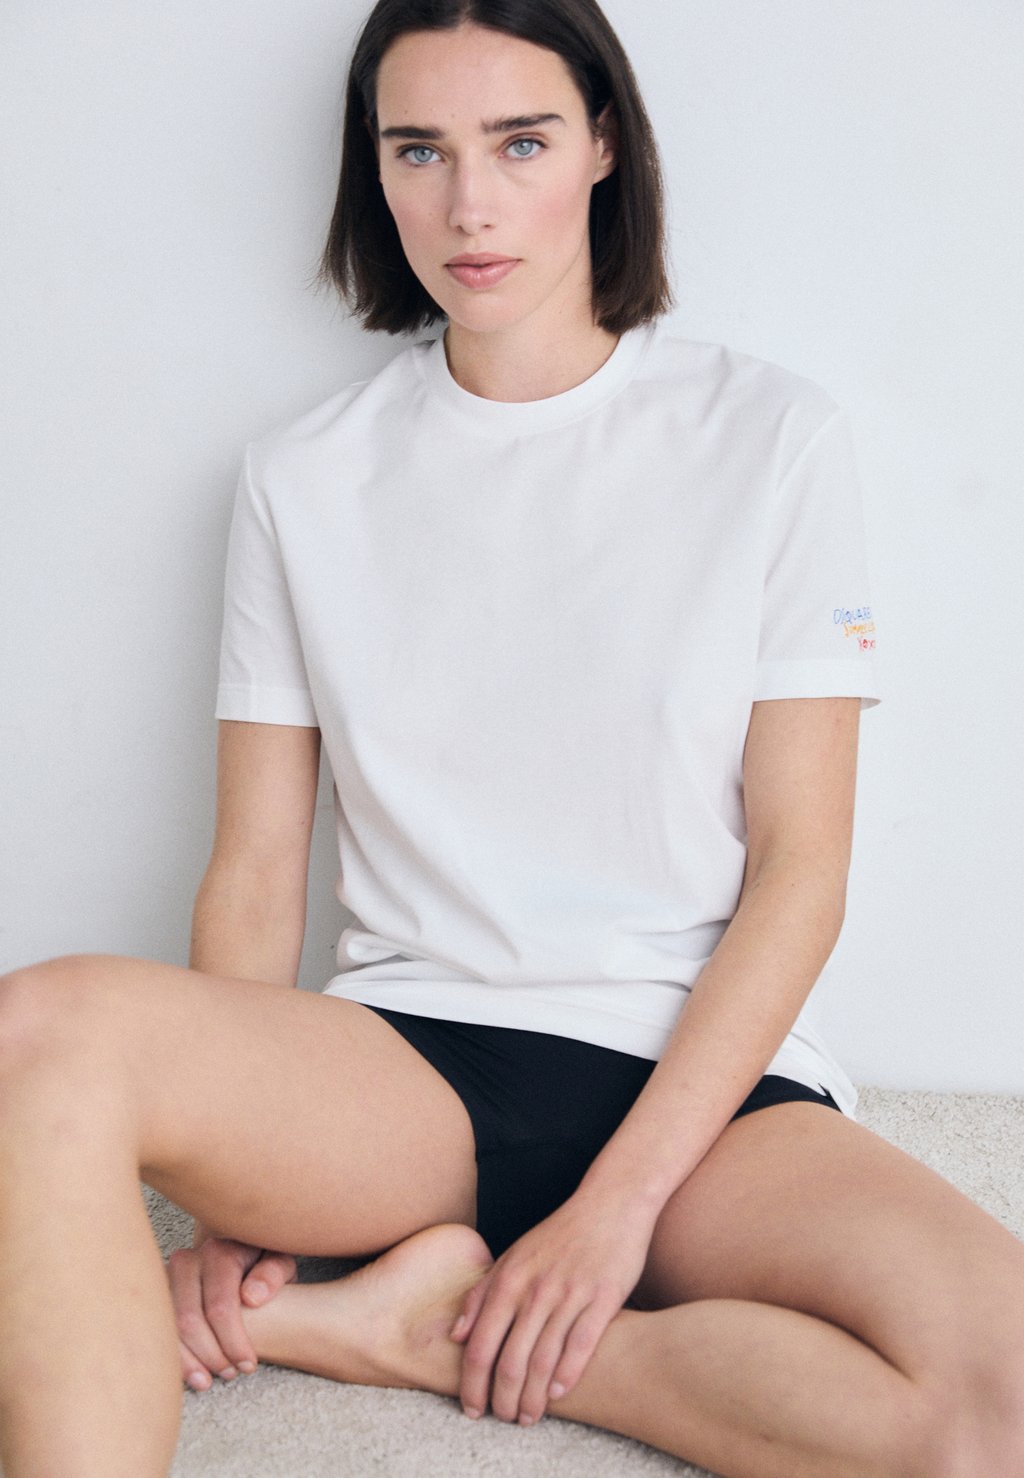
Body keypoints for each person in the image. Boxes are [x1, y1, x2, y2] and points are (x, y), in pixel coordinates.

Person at [1, 0, 1023, 1474]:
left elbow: (801, 871)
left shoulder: (770, 437)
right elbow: (257, 867)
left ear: (604, 146)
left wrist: (615, 1210)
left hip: (697, 1079)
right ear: (375, 170)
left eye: (520, 142)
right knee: (42, 1027)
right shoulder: (304, 477)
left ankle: (419, 1332)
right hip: (404, 1068)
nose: (468, 205)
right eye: (419, 150)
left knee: (995, 1408)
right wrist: (236, 1213)